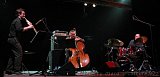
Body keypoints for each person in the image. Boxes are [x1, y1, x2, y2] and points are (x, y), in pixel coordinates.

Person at [6, 8, 34, 74]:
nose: (24, 15)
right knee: (19, 53)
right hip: (13, 39)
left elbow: (21, 30)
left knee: (13, 54)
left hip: (11, 39)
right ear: (19, 14)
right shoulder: (17, 21)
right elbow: (20, 30)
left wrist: (28, 25)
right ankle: (17, 70)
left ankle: (8, 69)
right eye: (23, 14)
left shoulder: (18, 20)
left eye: (25, 14)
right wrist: (29, 27)